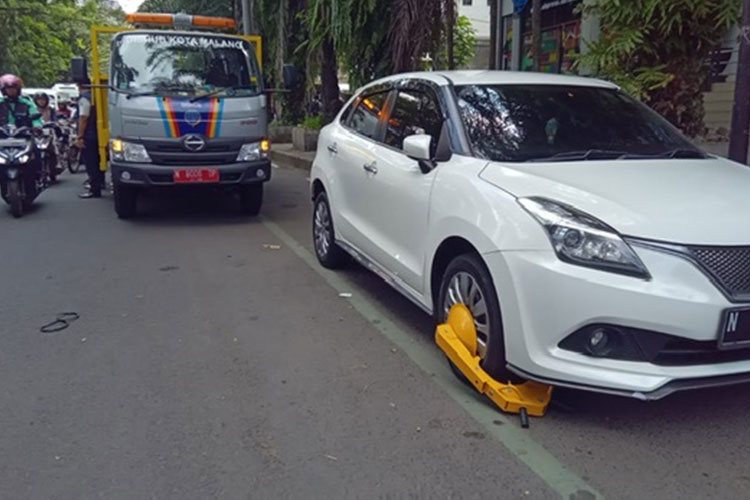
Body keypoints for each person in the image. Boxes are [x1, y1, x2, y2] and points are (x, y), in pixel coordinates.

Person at [76, 77, 103, 199]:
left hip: (90, 134)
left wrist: (80, 136)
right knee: (98, 161)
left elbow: (83, 118)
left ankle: (94, 189)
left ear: (80, 86)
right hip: (99, 133)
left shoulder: (84, 98)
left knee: (91, 163)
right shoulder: (98, 96)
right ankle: (100, 183)